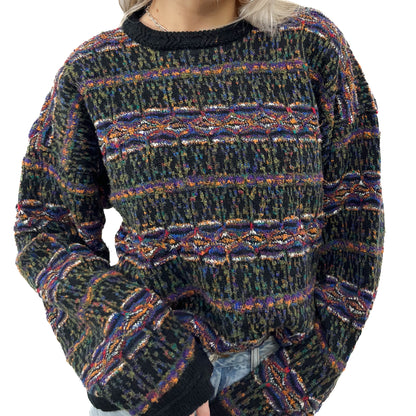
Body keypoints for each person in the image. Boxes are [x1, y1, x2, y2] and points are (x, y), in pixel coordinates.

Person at [13, 0, 385, 415]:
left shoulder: (310, 45)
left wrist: (285, 388)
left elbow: (356, 228)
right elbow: (45, 229)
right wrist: (155, 368)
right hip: (144, 383)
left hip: (274, 373)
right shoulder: (94, 70)